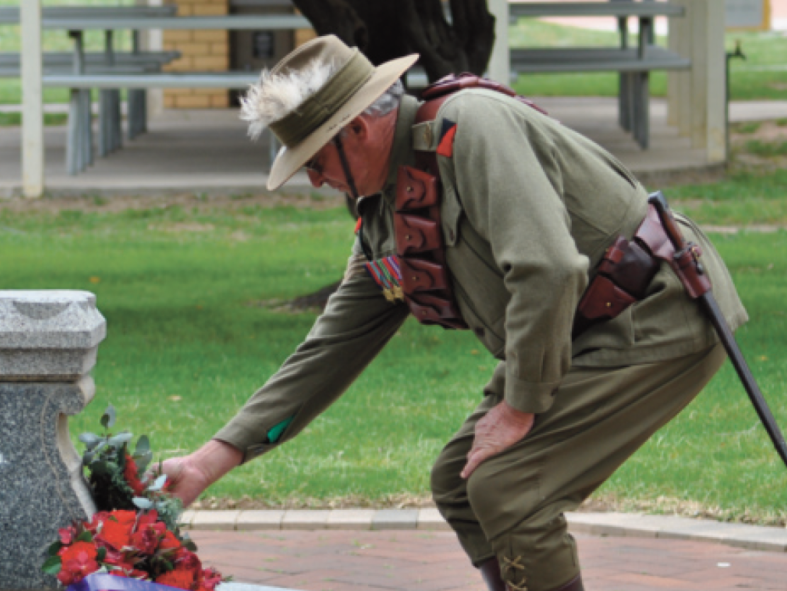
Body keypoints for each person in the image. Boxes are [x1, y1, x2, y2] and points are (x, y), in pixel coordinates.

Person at [159, 36, 747, 591]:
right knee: (462, 483)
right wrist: (210, 462)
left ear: (357, 128)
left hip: (659, 308)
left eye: (314, 162)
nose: (315, 181)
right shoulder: (385, 213)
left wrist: (519, 409)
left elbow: (549, 268)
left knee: (508, 487)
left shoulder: (472, 128)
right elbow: (331, 347)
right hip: (581, 326)